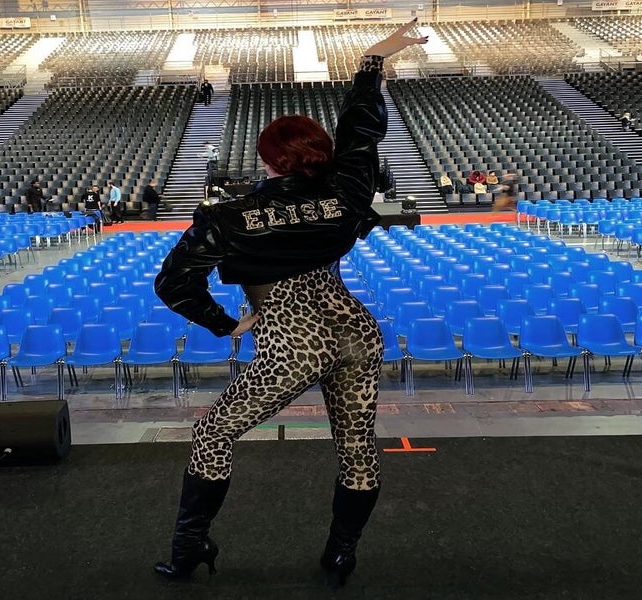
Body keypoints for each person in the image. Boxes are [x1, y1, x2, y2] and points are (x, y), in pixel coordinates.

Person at [152, 20, 428, 585]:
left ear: (269, 161)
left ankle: (188, 549)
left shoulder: (228, 218)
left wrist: (224, 323)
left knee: (213, 436)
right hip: (356, 331)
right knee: (357, 447)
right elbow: (359, 133)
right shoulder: (347, 193)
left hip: (293, 343)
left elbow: (173, 283)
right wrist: (373, 61)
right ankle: (340, 556)